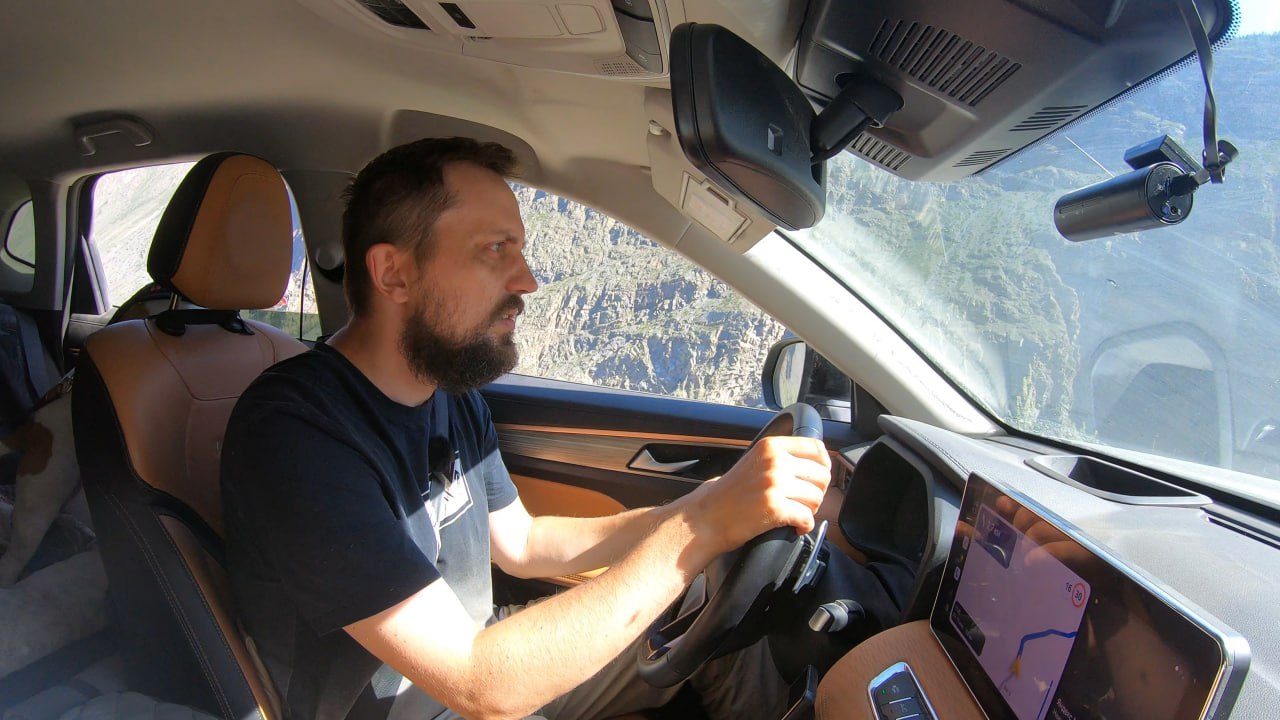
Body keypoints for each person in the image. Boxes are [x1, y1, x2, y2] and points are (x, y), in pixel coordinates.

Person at [221, 137, 832, 720]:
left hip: (481, 656)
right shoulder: (295, 434)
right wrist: (701, 526)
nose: (527, 281)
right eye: (495, 249)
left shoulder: (447, 393)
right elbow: (478, 683)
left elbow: (523, 543)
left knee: (700, 607)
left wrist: (703, 505)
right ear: (394, 274)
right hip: (424, 704)